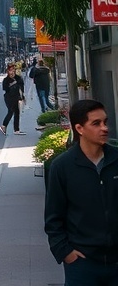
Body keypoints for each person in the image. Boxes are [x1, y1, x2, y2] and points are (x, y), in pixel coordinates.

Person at [45, 99, 118, 285]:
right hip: (82, 265)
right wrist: (65, 252)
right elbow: (53, 217)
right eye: (96, 123)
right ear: (79, 128)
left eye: (105, 122)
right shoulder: (62, 167)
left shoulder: (116, 159)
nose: (104, 128)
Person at [0, 62, 25, 135]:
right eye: (10, 70)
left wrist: (22, 97)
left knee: (16, 113)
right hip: (9, 98)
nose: (12, 72)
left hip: (16, 97)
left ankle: (16, 129)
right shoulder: (6, 80)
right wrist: (12, 84)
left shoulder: (18, 78)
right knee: (11, 111)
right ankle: (4, 126)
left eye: (13, 70)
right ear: (8, 71)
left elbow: (22, 88)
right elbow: (5, 88)